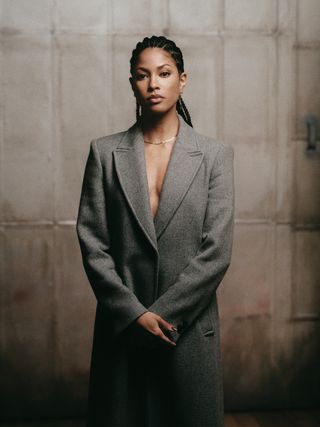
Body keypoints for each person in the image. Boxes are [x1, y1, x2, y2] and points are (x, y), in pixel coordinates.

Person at [76, 35, 234, 427]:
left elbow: (217, 251)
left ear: (183, 79)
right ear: (132, 82)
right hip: (123, 331)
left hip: (189, 331)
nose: (154, 84)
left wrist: (161, 316)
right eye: (143, 75)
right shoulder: (105, 153)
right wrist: (134, 316)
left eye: (164, 74)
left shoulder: (215, 156)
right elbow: (93, 243)